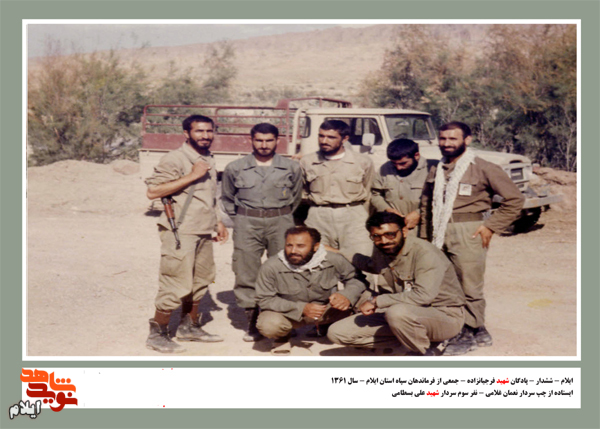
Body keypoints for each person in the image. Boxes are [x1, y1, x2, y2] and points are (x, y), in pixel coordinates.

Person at [420, 121, 525, 355]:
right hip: (439, 230)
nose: (446, 143)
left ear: (467, 140)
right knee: (445, 283)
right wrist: (425, 238)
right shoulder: (437, 169)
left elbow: (514, 199)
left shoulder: (484, 167)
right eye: (443, 139)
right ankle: (477, 330)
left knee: (469, 284)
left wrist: (491, 226)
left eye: (452, 139)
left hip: (469, 230)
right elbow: (426, 205)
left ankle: (466, 332)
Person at [144, 114, 229, 353]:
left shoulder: (207, 158)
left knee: (201, 279)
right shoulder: (175, 159)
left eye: (209, 131)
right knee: (175, 281)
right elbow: (153, 191)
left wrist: (218, 222)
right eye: (199, 131)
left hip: (203, 228)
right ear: (186, 133)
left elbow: (209, 196)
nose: (205, 136)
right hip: (180, 230)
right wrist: (192, 175)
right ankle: (157, 335)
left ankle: (189, 327)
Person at [327, 212, 466, 356]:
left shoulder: (425, 253)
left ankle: (422, 353)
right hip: (406, 313)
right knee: (337, 333)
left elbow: (423, 296)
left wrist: (376, 301)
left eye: (390, 234)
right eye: (377, 236)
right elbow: (372, 265)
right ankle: (413, 338)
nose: (384, 241)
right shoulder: (383, 248)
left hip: (443, 315)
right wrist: (338, 252)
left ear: (404, 231)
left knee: (397, 313)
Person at [221, 123, 303, 342]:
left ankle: (284, 319)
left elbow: (296, 197)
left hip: (281, 221)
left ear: (277, 141)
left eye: (269, 140)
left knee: (285, 268)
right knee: (246, 270)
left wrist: (282, 215)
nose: (264, 145)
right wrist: (242, 218)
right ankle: (253, 322)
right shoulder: (235, 167)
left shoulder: (291, 167)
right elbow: (227, 198)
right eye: (259, 140)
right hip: (247, 222)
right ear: (251, 140)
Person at [255, 226, 366, 354]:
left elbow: (357, 279)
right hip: (292, 315)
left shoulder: (333, 259)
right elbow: (264, 299)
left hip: (328, 311)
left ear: (316, 247)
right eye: (289, 245)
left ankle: (355, 334)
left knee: (365, 297)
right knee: (269, 324)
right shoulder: (271, 266)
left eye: (300, 246)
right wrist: (301, 308)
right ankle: (282, 337)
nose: (293, 251)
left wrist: (346, 295)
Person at [300, 120, 374, 261]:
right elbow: (304, 191)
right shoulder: (307, 161)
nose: (324, 141)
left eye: (331, 137)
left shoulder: (362, 161)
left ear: (345, 139)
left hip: (353, 216)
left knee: (360, 259)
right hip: (319, 216)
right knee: (318, 261)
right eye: (321, 136)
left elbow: (369, 190)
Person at [371, 138, 437, 236]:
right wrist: (387, 209)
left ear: (416, 155)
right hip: (394, 229)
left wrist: (419, 213)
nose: (398, 167)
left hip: (424, 228)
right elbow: (375, 195)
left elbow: (443, 198)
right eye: (394, 163)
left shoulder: (433, 168)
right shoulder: (385, 168)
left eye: (403, 163)